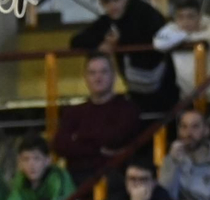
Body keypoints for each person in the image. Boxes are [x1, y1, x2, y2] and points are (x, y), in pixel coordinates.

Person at [70, 0, 178, 115]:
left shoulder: (146, 14)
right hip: (137, 90)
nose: (113, 6)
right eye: (107, 2)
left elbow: (159, 37)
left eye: (116, 0)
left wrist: (116, 43)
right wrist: (101, 44)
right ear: (102, 4)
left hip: (163, 85)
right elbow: (76, 41)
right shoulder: (109, 21)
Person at [53, 52, 146, 188]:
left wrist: (79, 138)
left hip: (116, 181)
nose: (98, 77)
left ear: (113, 76)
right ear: (85, 78)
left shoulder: (128, 109)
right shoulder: (73, 112)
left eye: (103, 72)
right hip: (77, 181)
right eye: (92, 73)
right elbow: (59, 145)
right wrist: (100, 150)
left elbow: (114, 138)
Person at [153, 0, 210, 96]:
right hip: (186, 95)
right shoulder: (173, 29)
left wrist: (185, 37)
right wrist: (186, 35)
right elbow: (158, 43)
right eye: (181, 17)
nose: (185, 21)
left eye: (190, 16)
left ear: (199, 17)